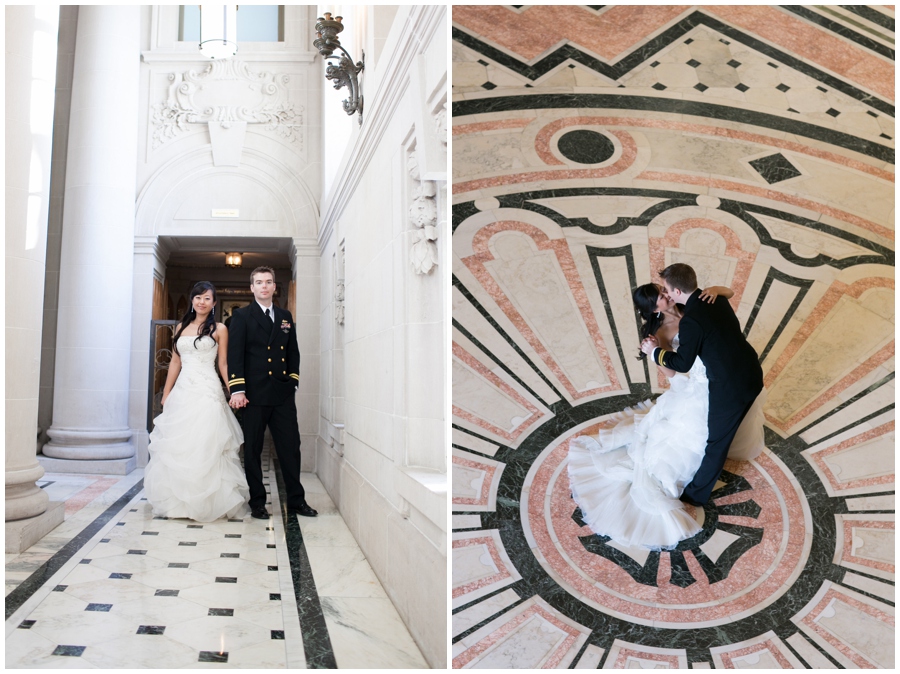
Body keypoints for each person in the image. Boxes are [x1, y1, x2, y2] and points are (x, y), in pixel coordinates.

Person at [641, 263, 765, 506]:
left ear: (677, 291)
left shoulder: (692, 319)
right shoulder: (713, 300)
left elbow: (683, 363)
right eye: (660, 295)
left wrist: (654, 352)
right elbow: (675, 371)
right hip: (750, 369)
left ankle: (694, 496)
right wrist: (655, 350)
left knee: (715, 444)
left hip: (728, 385)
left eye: (665, 289)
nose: (665, 294)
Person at [144, 281, 250, 522]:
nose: (202, 302)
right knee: (181, 444)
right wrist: (167, 393)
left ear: (214, 303)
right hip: (184, 390)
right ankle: (179, 504)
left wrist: (234, 390)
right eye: (198, 297)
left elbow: (223, 363)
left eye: (207, 298)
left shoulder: (220, 329)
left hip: (207, 389)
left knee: (207, 443)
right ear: (192, 300)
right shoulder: (181, 326)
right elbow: (175, 362)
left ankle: (208, 503)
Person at [227, 266, 317, 519]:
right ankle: (258, 502)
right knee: (253, 449)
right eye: (259, 282)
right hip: (253, 396)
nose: (264, 286)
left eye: (268, 282)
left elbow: (293, 353)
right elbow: (235, 356)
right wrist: (238, 390)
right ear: (252, 288)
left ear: (274, 287)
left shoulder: (285, 316)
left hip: (281, 395)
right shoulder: (242, 317)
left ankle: (297, 501)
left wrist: (293, 381)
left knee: (290, 447)